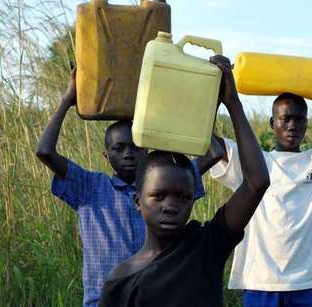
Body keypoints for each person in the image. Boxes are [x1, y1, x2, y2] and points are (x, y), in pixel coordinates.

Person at [35, 68, 222, 307]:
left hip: (153, 299)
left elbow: (215, 151)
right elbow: (45, 151)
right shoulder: (90, 187)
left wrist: (192, 102)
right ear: (106, 154)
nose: (128, 155)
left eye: (135, 147)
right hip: (101, 301)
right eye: (118, 148)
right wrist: (67, 99)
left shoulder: (168, 187)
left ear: (146, 149)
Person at [98, 55, 270, 307]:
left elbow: (257, 183)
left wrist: (233, 103)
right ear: (138, 201)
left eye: (183, 197)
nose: (170, 205)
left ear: (192, 201)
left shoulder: (207, 245)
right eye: (158, 195)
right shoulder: (121, 281)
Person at [210, 61, 312, 307]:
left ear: (307, 124)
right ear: (271, 123)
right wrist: (218, 85)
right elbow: (208, 139)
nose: (292, 126)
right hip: (261, 280)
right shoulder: (254, 163)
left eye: (299, 120)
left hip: (305, 282)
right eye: (285, 119)